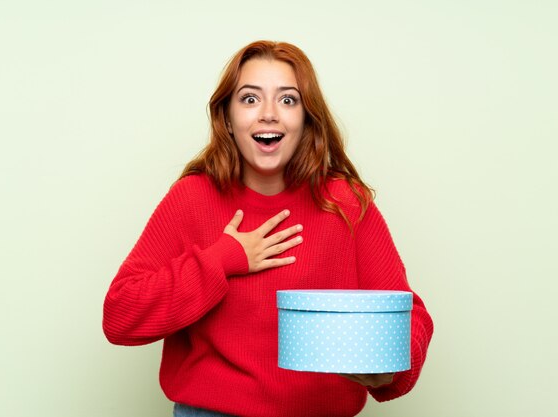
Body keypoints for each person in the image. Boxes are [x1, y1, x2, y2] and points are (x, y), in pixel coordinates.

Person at [103, 40, 433, 417]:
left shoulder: (346, 203)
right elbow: (120, 316)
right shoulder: (192, 198)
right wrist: (224, 259)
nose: (269, 114)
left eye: (288, 100)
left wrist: (391, 368)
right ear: (226, 117)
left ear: (307, 118)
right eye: (250, 99)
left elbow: (409, 315)